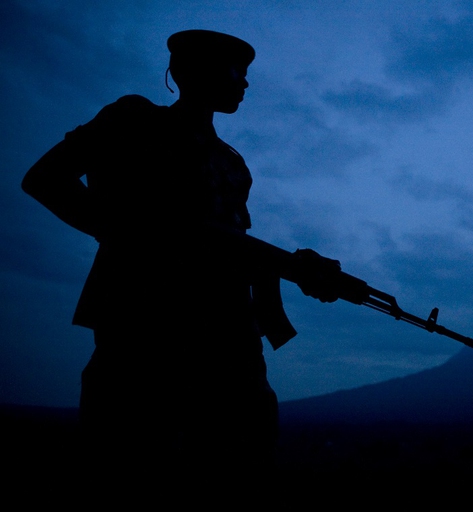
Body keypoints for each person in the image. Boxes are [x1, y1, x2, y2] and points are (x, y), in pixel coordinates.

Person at [21, 29, 338, 494]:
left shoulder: (231, 162)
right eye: (236, 71)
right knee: (134, 462)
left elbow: (226, 244)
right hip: (146, 327)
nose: (245, 83)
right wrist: (130, 235)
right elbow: (45, 179)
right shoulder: (134, 120)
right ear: (192, 73)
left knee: (240, 461)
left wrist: (294, 267)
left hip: (229, 337)